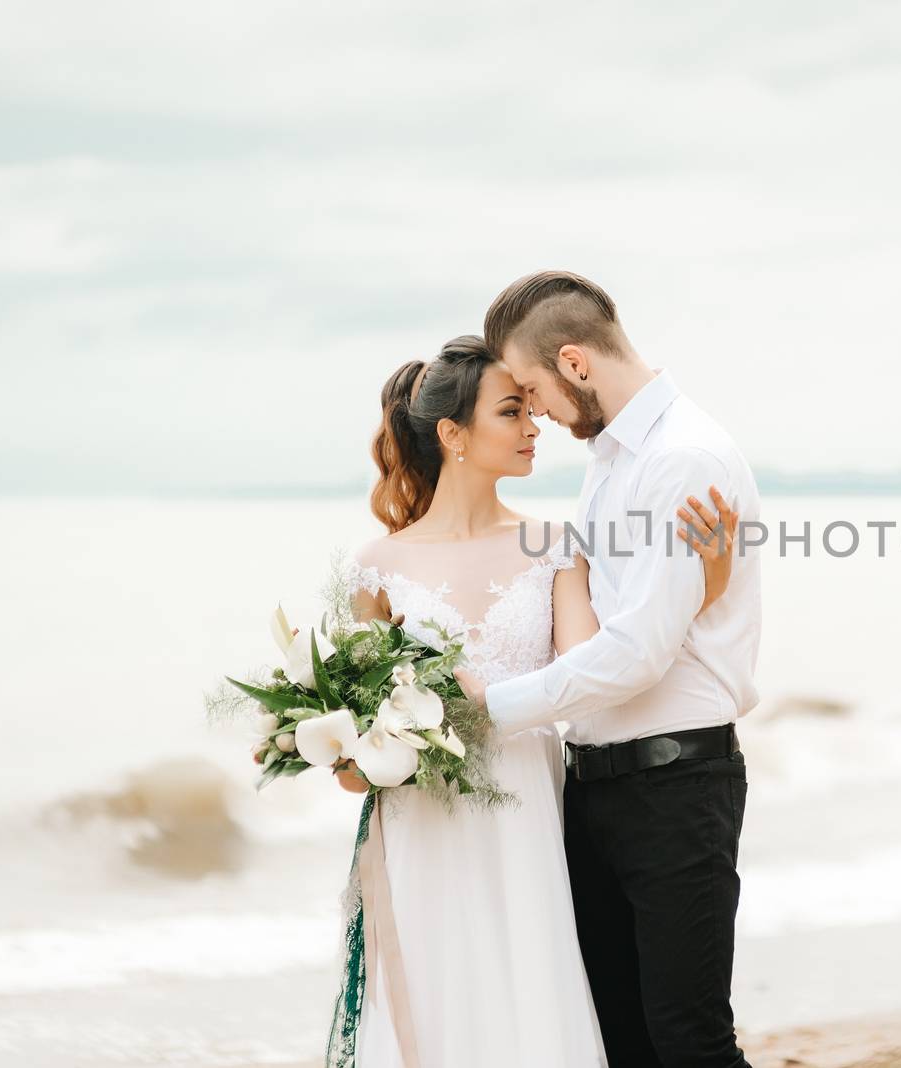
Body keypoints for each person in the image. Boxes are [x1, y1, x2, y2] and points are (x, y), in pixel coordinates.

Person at [323, 333, 738, 1067]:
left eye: (529, 410)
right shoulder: (373, 567)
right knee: (441, 1004)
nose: (533, 427)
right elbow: (357, 755)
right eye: (512, 412)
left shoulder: (553, 544)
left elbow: (595, 675)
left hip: (534, 810)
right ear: (452, 434)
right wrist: (342, 750)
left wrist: (699, 588)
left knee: (539, 997)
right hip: (423, 823)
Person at [455, 271, 762, 1068]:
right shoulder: (610, 461)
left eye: (532, 389)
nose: (538, 414)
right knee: (619, 1038)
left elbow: (637, 652)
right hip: (598, 788)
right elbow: (599, 617)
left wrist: (489, 707)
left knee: (689, 1041)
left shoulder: (683, 459)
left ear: (575, 363)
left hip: (675, 786)